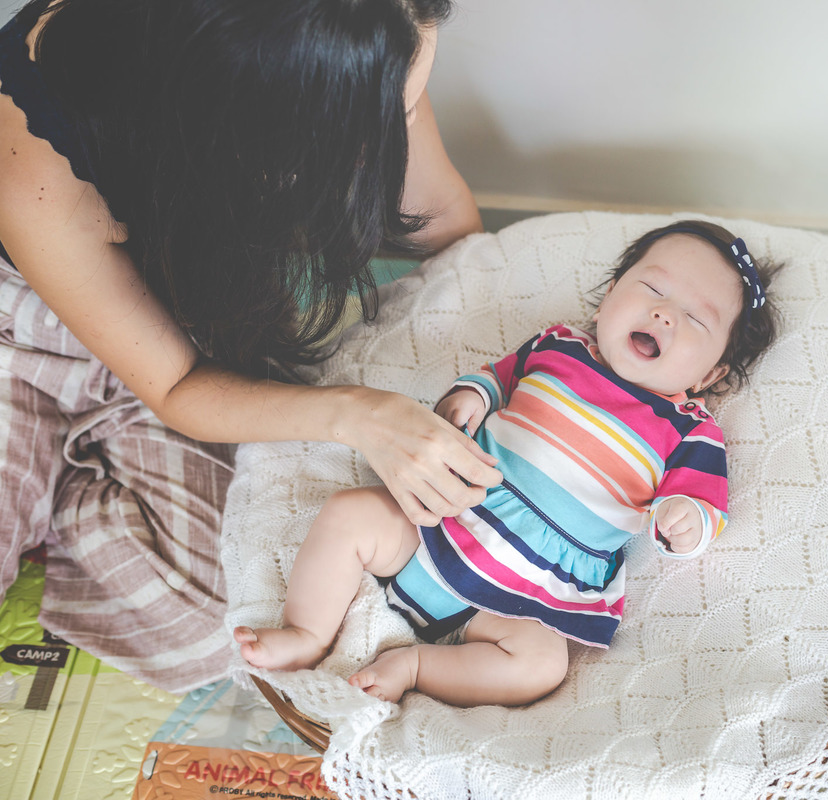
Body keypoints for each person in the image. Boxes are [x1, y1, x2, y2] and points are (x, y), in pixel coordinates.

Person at [0, 0, 502, 694]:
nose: (398, 130)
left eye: (405, 109)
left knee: (231, 614)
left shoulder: (378, 29)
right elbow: (176, 387)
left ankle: (57, 487)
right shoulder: (35, 151)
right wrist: (359, 414)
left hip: (171, 325)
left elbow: (443, 225)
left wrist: (502, 337)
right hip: (24, 321)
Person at [234, 220, 780, 706]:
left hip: (526, 594)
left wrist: (686, 520)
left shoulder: (690, 429)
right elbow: (497, 378)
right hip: (445, 516)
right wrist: (469, 397)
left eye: (695, 319)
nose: (664, 313)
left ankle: (418, 667)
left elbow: (702, 503)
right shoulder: (557, 346)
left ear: (709, 374)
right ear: (609, 296)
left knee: (542, 664)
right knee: (349, 514)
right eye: (653, 289)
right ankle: (307, 632)